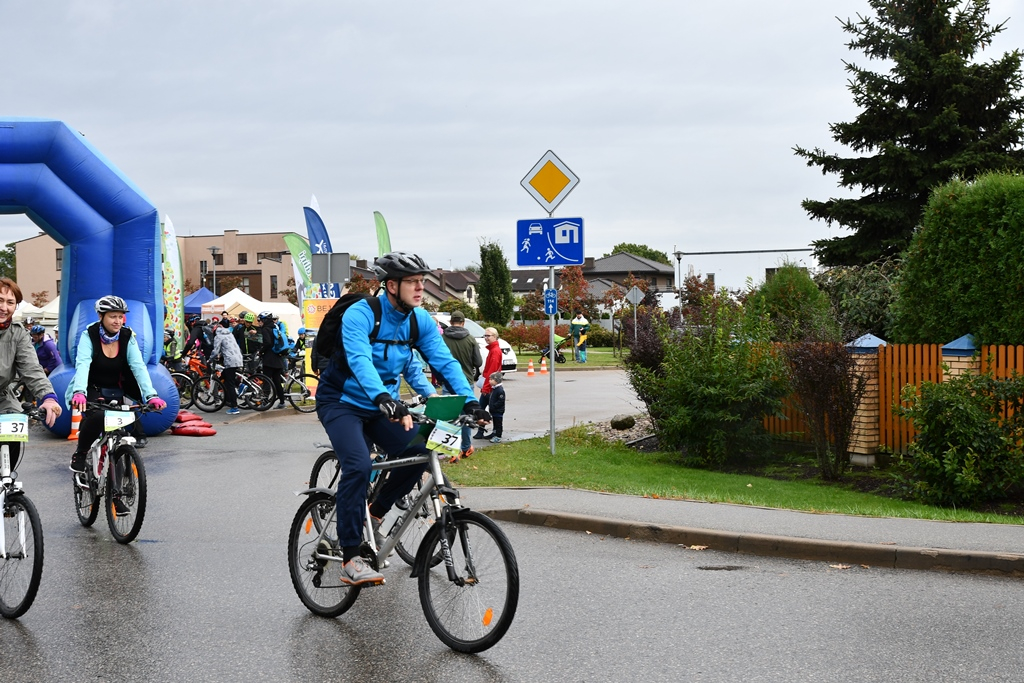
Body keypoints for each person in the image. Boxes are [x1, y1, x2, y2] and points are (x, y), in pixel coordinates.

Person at [316, 251, 489, 587]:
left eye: (423, 281)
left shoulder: (419, 319)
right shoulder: (360, 314)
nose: (420, 288)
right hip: (342, 402)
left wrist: (470, 400)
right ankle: (351, 556)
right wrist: (382, 396)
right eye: (413, 282)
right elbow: (359, 359)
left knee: (420, 451)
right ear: (391, 285)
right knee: (358, 465)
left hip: (382, 405)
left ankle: (375, 515)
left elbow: (445, 362)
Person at [67, 296, 167, 513]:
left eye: (121, 317)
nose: (118, 321)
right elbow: (83, 364)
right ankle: (81, 453)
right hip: (91, 388)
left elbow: (138, 366)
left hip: (115, 388)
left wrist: (151, 396)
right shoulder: (89, 335)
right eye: (113, 316)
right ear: (101, 316)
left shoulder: (127, 336)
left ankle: (116, 494)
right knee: (95, 417)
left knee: (119, 435)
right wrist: (79, 392)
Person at [0, 279, 62, 471]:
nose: (4, 307)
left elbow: (32, 369)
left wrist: (48, 397)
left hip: (3, 396)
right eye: (0, 300)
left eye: (10, 303)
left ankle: (6, 481)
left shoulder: (18, 334)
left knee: (14, 431)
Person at [441, 310, 481, 463]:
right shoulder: (470, 339)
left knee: (449, 417)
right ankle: (466, 447)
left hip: (448, 383)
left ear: (451, 322)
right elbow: (478, 362)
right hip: (467, 382)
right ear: (463, 323)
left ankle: (451, 451)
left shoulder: (442, 338)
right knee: (466, 416)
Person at [473, 327, 503, 440]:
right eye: (485, 336)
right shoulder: (493, 350)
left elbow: (492, 371)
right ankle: (484, 431)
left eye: (488, 336)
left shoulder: (495, 351)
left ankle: (492, 432)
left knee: (485, 409)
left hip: (490, 386)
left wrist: (486, 387)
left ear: (495, 337)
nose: (486, 338)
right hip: (489, 384)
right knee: (483, 408)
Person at [211, 317, 244, 415]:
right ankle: (241, 384)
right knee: (225, 375)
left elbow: (215, 350)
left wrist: (210, 359)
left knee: (230, 384)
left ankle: (234, 407)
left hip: (230, 360)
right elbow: (228, 347)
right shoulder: (229, 334)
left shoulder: (218, 336)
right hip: (238, 357)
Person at [257, 311, 287, 409]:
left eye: (260, 320)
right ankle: (282, 402)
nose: (259, 322)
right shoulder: (275, 327)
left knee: (266, 381)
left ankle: (265, 402)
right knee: (277, 382)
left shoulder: (265, 329)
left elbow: (268, 343)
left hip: (269, 359)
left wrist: (261, 351)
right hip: (278, 358)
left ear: (264, 320)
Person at [485, 371, 506, 443]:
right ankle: (495, 433)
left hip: (498, 411)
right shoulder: (494, 389)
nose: (489, 381)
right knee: (495, 423)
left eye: (491, 379)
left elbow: (501, 401)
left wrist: (493, 406)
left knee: (498, 424)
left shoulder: (500, 390)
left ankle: (498, 436)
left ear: (496, 380)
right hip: (494, 411)